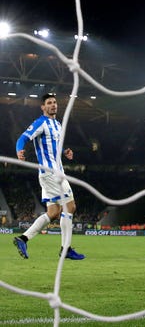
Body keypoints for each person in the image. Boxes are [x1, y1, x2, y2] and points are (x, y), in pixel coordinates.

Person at [13, 93, 85, 260]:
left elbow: (54, 147)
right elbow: (22, 138)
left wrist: (65, 151)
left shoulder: (57, 124)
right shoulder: (41, 123)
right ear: (43, 107)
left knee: (53, 212)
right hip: (51, 173)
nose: (53, 105)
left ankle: (23, 239)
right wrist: (19, 150)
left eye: (54, 102)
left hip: (55, 172)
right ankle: (65, 249)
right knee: (70, 206)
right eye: (49, 103)